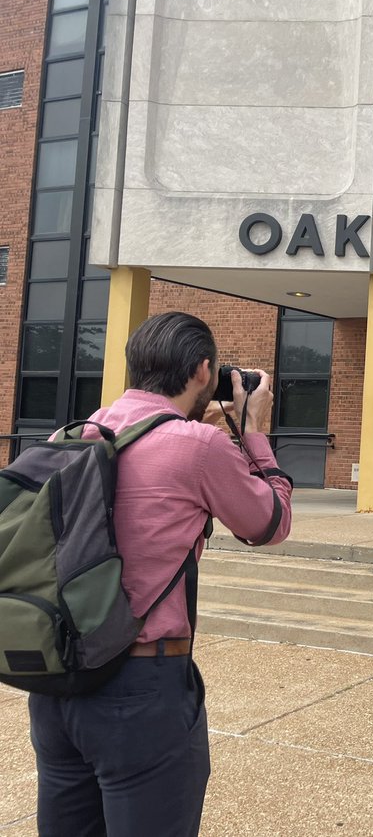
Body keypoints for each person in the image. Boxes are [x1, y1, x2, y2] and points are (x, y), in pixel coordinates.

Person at [27, 311, 293, 837]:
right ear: (202, 370)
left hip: (56, 685)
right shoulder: (199, 446)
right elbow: (269, 523)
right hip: (141, 689)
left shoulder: (73, 434)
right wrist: (253, 429)